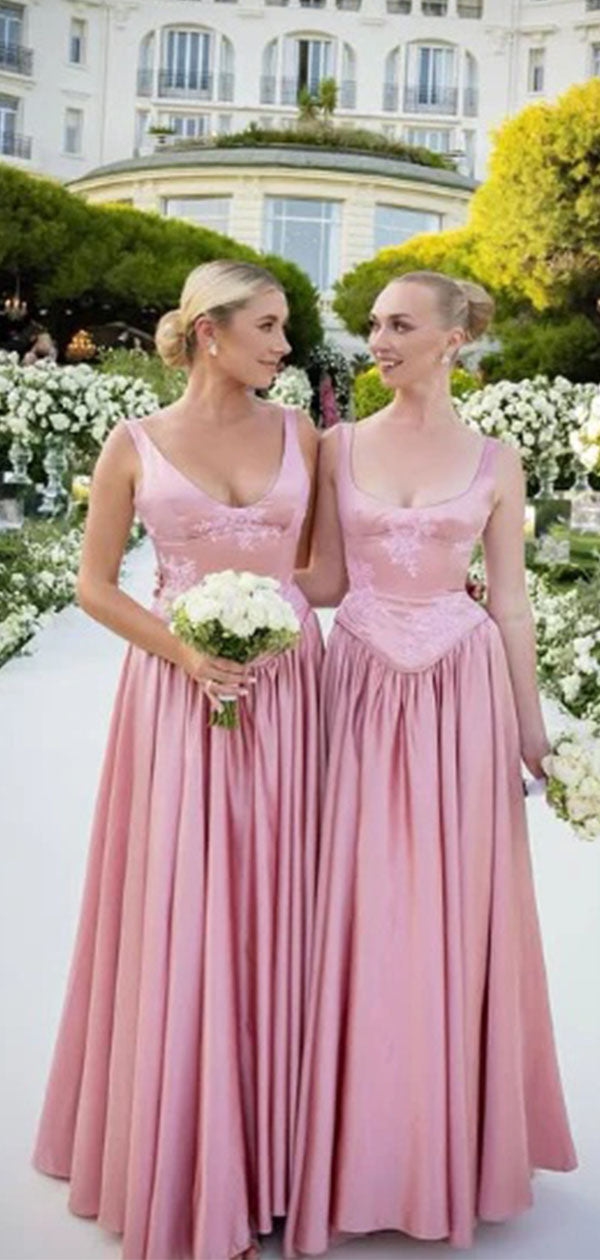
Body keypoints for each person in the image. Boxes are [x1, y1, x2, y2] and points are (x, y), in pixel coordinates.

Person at [32, 260, 323, 1260]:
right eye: (268, 326)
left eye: (284, 327)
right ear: (210, 331)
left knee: (278, 900)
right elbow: (95, 585)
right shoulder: (134, 443)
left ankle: (274, 1161)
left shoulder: (304, 434)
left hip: (288, 691)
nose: (284, 345)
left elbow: (323, 570)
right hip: (175, 692)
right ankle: (189, 1163)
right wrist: (188, 652)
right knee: (187, 903)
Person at [285, 270, 577, 1254]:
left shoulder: (498, 459)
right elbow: (324, 579)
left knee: (451, 914)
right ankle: (350, 1148)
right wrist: (212, 592)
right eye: (374, 324)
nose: (379, 339)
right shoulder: (335, 445)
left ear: (453, 340)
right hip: (361, 686)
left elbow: (512, 601)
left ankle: (441, 1147)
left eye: (400, 325)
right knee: (355, 907)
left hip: (461, 696)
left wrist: (531, 729)